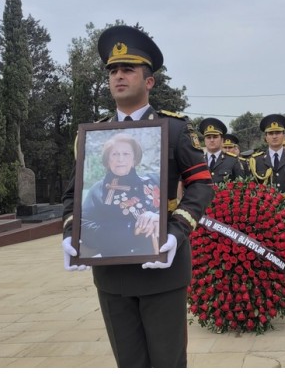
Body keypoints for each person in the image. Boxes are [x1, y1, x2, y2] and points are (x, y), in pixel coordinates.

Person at [61, 25, 214, 368]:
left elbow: (201, 185)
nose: (118, 76)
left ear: (149, 82)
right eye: (113, 70)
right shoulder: (91, 135)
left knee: (167, 364)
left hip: (161, 267)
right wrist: (71, 233)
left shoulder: (173, 130)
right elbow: (73, 194)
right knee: (128, 364)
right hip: (111, 273)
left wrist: (176, 233)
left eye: (128, 69)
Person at [80, 133, 160, 258]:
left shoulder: (154, 180)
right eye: (115, 154)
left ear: (134, 159)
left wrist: (157, 217)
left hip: (159, 261)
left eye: (126, 154)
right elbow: (84, 228)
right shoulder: (97, 190)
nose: (120, 159)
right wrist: (130, 229)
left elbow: (172, 208)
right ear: (107, 160)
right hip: (117, 263)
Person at [199, 118, 244, 183]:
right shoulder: (198, 161)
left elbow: (241, 185)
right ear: (204, 140)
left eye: (215, 137)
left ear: (222, 140)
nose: (212, 140)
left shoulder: (233, 160)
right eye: (208, 137)